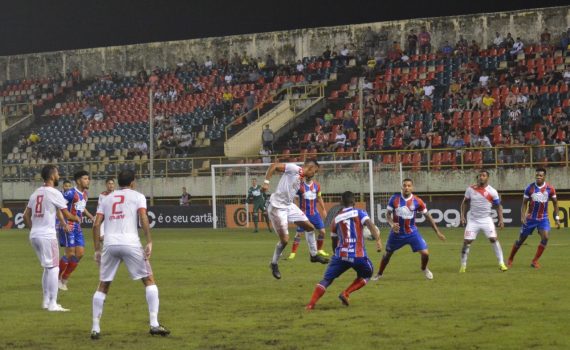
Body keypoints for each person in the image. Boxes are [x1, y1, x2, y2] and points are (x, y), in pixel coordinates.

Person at [91, 170, 170, 339]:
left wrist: (97, 249)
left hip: (110, 244)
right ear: (133, 182)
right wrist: (149, 241)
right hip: (131, 243)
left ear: (118, 183)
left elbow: (96, 225)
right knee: (149, 280)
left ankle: (95, 328)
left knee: (103, 285)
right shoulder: (138, 196)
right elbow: (143, 218)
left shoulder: (106, 198)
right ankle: (154, 324)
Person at [306, 191, 382, 310]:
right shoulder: (359, 212)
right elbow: (370, 224)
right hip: (358, 256)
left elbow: (334, 240)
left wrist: (335, 255)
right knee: (367, 274)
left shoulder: (335, 219)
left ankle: (311, 304)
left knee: (327, 279)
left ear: (342, 203)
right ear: (354, 202)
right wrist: (378, 240)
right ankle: (346, 293)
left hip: (341, 255)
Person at [23, 165, 79, 312]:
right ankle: (53, 304)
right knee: (54, 268)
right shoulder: (54, 193)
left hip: (35, 235)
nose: (59, 175)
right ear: (52, 175)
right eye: (57, 173)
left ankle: (46, 301)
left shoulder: (35, 193)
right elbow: (66, 214)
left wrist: (34, 229)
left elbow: (25, 216)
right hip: (47, 235)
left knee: (48, 268)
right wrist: (77, 218)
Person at [261, 159, 329, 279]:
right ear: (311, 168)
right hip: (277, 207)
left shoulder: (302, 177)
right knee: (285, 240)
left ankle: (313, 255)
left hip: (289, 205)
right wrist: (266, 182)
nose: (314, 174)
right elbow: (274, 166)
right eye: (315, 172)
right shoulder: (294, 169)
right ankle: (274, 263)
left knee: (309, 227)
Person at [372, 178, 446, 280]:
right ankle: (379, 274)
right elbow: (388, 215)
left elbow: (428, 216)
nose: (406, 187)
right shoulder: (394, 198)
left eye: (409, 186)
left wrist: (438, 232)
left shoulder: (417, 201)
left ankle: (424, 269)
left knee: (425, 253)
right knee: (387, 254)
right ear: (402, 187)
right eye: (405, 185)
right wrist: (392, 224)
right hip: (396, 233)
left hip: (412, 233)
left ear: (412, 188)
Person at [507, 168, 560, 268]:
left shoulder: (550, 188)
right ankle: (510, 258)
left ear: (544, 176)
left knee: (545, 237)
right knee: (521, 240)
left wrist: (557, 218)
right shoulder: (530, 188)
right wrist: (523, 216)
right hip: (530, 218)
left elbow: (555, 204)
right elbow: (524, 204)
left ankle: (534, 261)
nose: (538, 177)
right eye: (537, 175)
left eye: (540, 175)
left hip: (543, 218)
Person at [459, 170, 508, 272]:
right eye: (480, 175)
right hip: (473, 220)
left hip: (486, 219)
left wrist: (501, 220)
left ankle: (501, 263)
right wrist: (462, 216)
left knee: (493, 239)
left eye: (483, 175)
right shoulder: (470, 189)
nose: (481, 177)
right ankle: (463, 266)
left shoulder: (492, 191)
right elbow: (464, 203)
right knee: (467, 241)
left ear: (487, 178)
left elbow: (499, 206)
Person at [57, 170, 95, 291]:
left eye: (88, 178)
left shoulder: (84, 194)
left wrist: (91, 217)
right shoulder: (70, 193)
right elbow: (59, 207)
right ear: (78, 181)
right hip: (68, 225)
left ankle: (64, 278)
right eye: (85, 178)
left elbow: (81, 209)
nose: (88, 180)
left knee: (80, 254)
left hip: (77, 227)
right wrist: (63, 223)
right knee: (69, 254)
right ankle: (57, 278)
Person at [287, 176, 330, 260]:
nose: (309, 176)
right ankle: (293, 252)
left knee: (322, 232)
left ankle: (319, 249)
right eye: (307, 175)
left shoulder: (317, 185)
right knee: (299, 234)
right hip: (304, 214)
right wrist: (297, 210)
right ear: (305, 176)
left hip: (315, 214)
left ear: (313, 176)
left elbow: (319, 197)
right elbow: (295, 198)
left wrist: (324, 209)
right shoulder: (300, 186)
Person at [96, 177, 115, 242]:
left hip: (116, 219)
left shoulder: (117, 194)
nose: (111, 185)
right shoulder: (102, 195)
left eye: (112, 184)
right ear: (106, 185)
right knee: (101, 237)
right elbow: (99, 208)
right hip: (106, 219)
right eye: (109, 184)